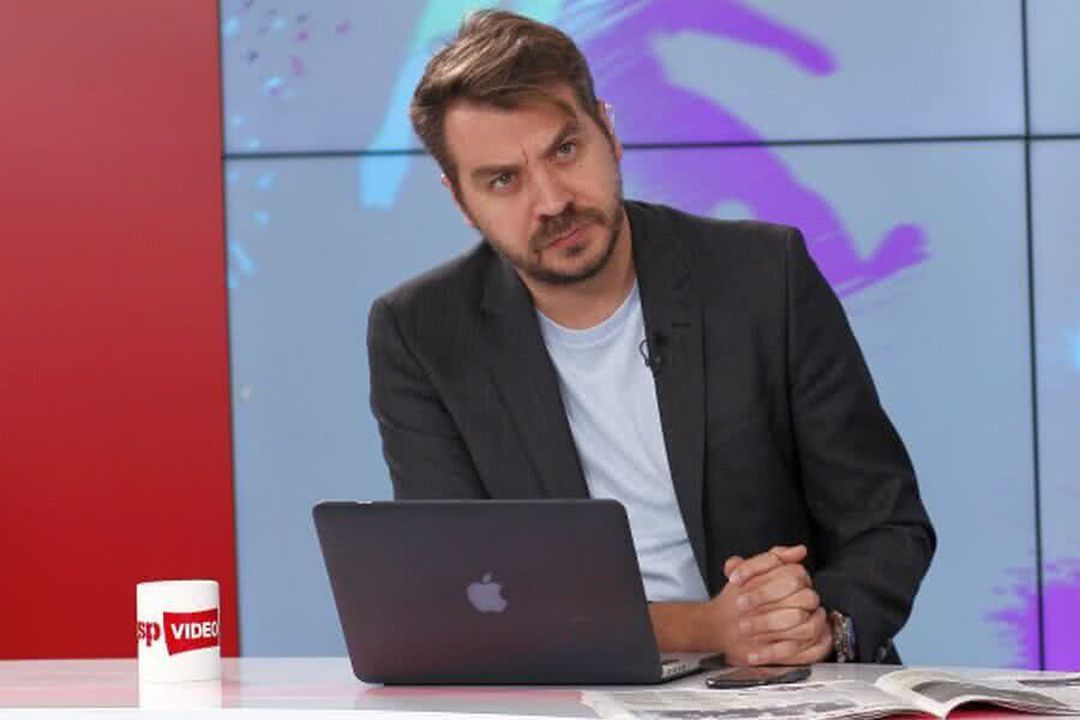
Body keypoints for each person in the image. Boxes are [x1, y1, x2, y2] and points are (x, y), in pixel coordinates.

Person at [367, 9, 935, 666]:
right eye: (503, 180)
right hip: (568, 690)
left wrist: (822, 626)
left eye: (565, 150)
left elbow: (885, 523)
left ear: (608, 131)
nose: (551, 201)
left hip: (784, 683)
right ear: (461, 202)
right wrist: (708, 628)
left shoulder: (762, 275)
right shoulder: (421, 333)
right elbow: (463, 593)